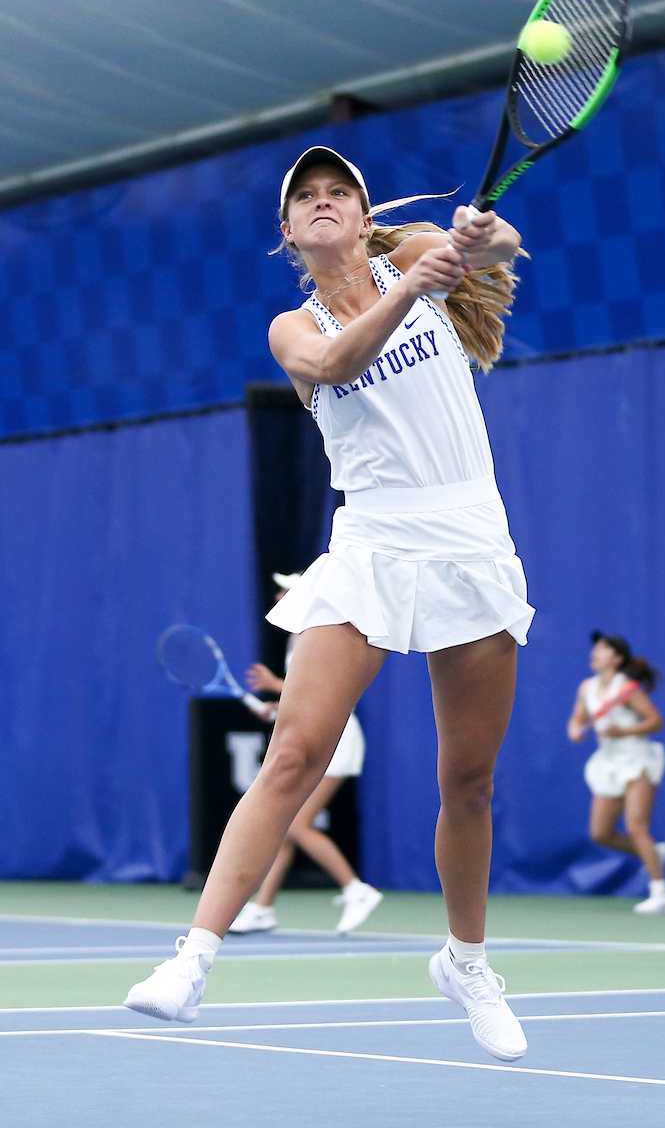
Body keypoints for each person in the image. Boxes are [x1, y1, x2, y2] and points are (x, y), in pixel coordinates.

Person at [125, 145, 534, 1063]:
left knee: (468, 782)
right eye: (304, 196)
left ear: (360, 213)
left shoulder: (415, 250)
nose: (322, 202)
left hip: (471, 539)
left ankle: (467, 964)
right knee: (294, 754)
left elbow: (505, 245)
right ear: (287, 231)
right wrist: (413, 288)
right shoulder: (292, 327)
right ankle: (191, 961)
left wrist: (478, 236)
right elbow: (340, 362)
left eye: (336, 191)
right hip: (371, 545)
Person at [229, 571, 383, 935]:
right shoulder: (295, 637)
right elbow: (307, 698)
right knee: (286, 827)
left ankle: (355, 889)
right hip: (318, 730)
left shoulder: (318, 632)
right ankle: (262, 908)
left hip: (337, 737)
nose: (279, 596)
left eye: (287, 590)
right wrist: (276, 708)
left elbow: (323, 687)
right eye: (280, 590)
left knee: (297, 824)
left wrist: (274, 685)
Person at [567, 631, 665, 914]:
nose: (595, 652)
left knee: (636, 826)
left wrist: (623, 731)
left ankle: (661, 894)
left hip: (638, 760)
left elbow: (656, 721)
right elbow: (577, 719)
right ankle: (654, 853)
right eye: (596, 648)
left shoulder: (627, 688)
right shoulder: (587, 687)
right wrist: (575, 731)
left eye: (603, 649)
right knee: (600, 833)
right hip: (609, 763)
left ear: (616, 659)